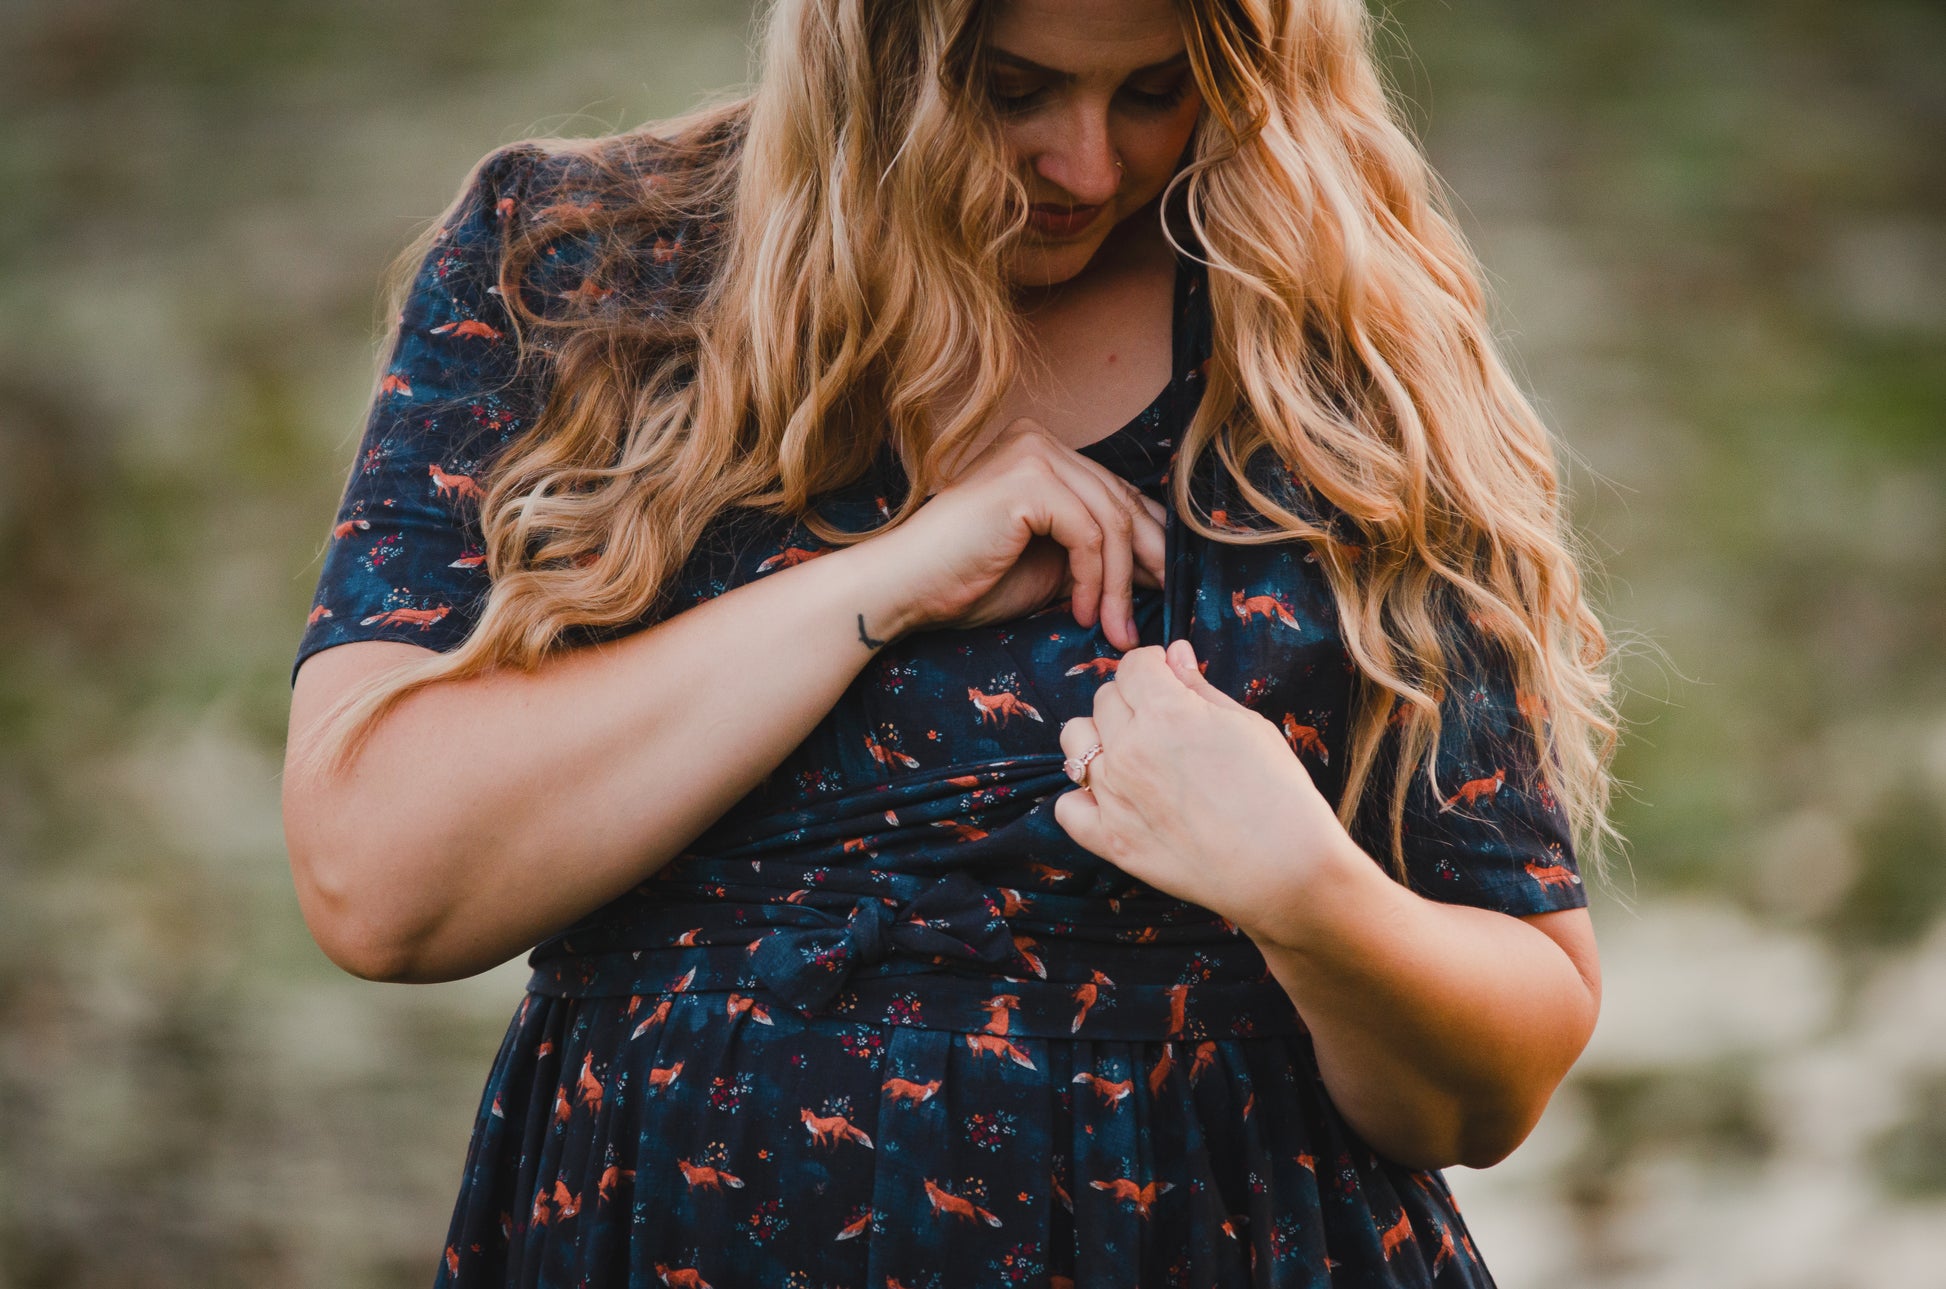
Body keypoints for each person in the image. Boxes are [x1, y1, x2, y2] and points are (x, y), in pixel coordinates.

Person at [281, 0, 1620, 1283]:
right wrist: (879, 586)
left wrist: (1307, 894)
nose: (1088, 163)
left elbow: (1499, 1071)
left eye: (1153, 89)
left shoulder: (1334, 354)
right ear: (870, 48)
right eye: (1009, 87)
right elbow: (379, 881)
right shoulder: (573, 269)